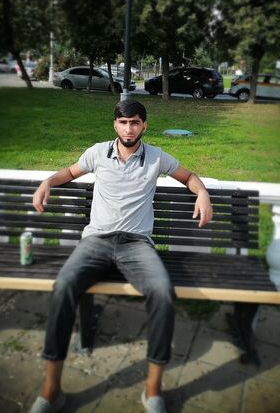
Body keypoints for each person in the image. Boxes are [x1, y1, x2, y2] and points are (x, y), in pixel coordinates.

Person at [30, 100, 213, 413]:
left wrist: (203, 193)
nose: (129, 129)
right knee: (63, 287)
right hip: (96, 241)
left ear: (144, 125)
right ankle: (51, 390)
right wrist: (47, 182)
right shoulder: (97, 153)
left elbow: (189, 176)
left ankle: (153, 391)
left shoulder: (156, 157)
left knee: (162, 292)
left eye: (135, 122)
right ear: (115, 124)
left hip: (136, 244)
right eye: (123, 122)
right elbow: (70, 172)